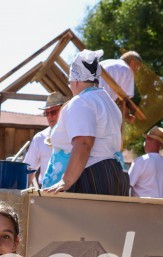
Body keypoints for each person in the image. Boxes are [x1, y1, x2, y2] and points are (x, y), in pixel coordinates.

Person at [43, 49, 128, 196]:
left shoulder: (81, 101)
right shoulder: (108, 102)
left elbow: (84, 143)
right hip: (115, 173)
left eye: (69, 81)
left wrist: (66, 180)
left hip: (91, 175)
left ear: (75, 81)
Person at [23, 92, 67, 186]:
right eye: (46, 113)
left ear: (63, 111)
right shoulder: (39, 138)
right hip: (47, 191)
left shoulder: (75, 134)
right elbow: (29, 169)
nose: (50, 116)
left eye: (53, 112)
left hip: (71, 190)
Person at [128, 126, 163, 198]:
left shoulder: (141, 161)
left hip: (142, 207)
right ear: (161, 145)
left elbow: (127, 185)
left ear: (148, 140)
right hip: (162, 207)